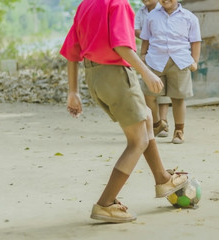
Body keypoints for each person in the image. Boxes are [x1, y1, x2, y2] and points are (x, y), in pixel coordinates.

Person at [60, 0, 188, 223]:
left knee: (146, 117)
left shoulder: (85, 5)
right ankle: (105, 203)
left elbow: (72, 50)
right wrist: (147, 73)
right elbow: (121, 46)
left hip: (95, 77)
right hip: (116, 75)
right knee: (137, 141)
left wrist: (74, 91)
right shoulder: (117, 4)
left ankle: (162, 178)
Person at [140, 0, 201, 144]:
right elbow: (146, 39)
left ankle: (179, 131)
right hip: (155, 60)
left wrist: (195, 61)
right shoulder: (152, 16)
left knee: (178, 98)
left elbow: (196, 41)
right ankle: (157, 124)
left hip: (179, 61)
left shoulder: (189, 17)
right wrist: (143, 54)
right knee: (149, 95)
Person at [135, 0, 171, 138]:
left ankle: (164, 121)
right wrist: (148, 34)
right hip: (149, 53)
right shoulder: (141, 11)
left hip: (164, 53)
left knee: (164, 91)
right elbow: (135, 29)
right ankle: (156, 122)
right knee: (151, 89)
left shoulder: (165, 8)